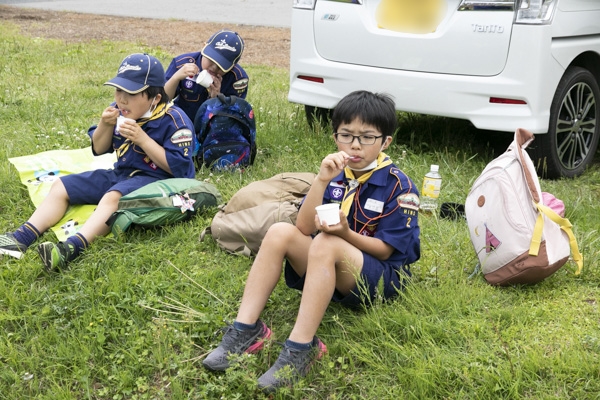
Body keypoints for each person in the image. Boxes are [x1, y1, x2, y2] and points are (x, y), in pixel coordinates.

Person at [202, 90, 421, 392]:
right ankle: (246, 328)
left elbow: (387, 251)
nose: (355, 145)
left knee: (327, 242)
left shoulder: (400, 185)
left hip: (381, 280)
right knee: (281, 231)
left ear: (385, 143)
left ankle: (302, 347)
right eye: (347, 135)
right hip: (330, 265)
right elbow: (303, 227)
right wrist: (320, 180)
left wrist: (344, 234)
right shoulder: (335, 175)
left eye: (367, 137)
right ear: (335, 138)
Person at [0, 53, 196, 271]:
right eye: (118, 89)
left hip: (156, 179)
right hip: (121, 173)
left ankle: (72, 247)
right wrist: (105, 124)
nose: (121, 99)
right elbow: (99, 148)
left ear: (155, 98)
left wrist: (143, 139)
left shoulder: (175, 121)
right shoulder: (121, 111)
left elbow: (179, 170)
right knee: (61, 186)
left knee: (112, 197)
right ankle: (20, 238)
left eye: (130, 93)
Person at [164, 29, 249, 121]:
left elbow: (229, 120)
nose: (214, 68)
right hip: (182, 121)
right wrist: (176, 78)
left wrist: (216, 98)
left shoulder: (237, 79)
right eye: (211, 60)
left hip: (213, 126)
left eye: (221, 66)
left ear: (232, 65)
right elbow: (161, 100)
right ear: (204, 48)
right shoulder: (182, 63)